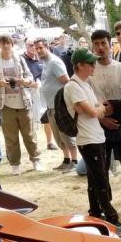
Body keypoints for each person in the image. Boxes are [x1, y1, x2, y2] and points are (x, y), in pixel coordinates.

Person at [64, 48, 120, 224]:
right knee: (101, 181)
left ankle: (95, 212)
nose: (94, 66)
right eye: (90, 63)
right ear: (79, 65)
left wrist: (96, 109)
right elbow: (93, 111)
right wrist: (98, 109)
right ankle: (111, 217)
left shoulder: (85, 84)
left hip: (96, 136)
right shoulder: (73, 86)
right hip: (88, 139)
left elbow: (94, 111)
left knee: (94, 178)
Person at [89, 29, 121, 213]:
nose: (100, 48)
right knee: (102, 169)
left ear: (110, 46)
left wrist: (118, 110)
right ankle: (106, 203)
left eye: (104, 43)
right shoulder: (89, 71)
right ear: (92, 46)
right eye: (96, 44)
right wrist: (103, 119)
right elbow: (88, 102)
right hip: (99, 126)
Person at [0, 35, 43, 174]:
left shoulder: (19, 59)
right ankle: (15, 164)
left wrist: (23, 81)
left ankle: (36, 159)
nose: (6, 46)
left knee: (29, 134)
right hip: (6, 104)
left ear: (12, 45)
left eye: (8, 43)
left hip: (23, 102)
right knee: (10, 137)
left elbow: (30, 76)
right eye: (3, 43)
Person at [35, 38, 79, 172]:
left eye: (40, 48)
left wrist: (68, 103)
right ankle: (66, 160)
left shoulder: (54, 62)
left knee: (66, 135)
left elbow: (67, 82)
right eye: (36, 48)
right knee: (58, 137)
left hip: (60, 106)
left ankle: (75, 161)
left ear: (47, 47)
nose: (38, 51)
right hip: (50, 107)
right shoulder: (46, 63)